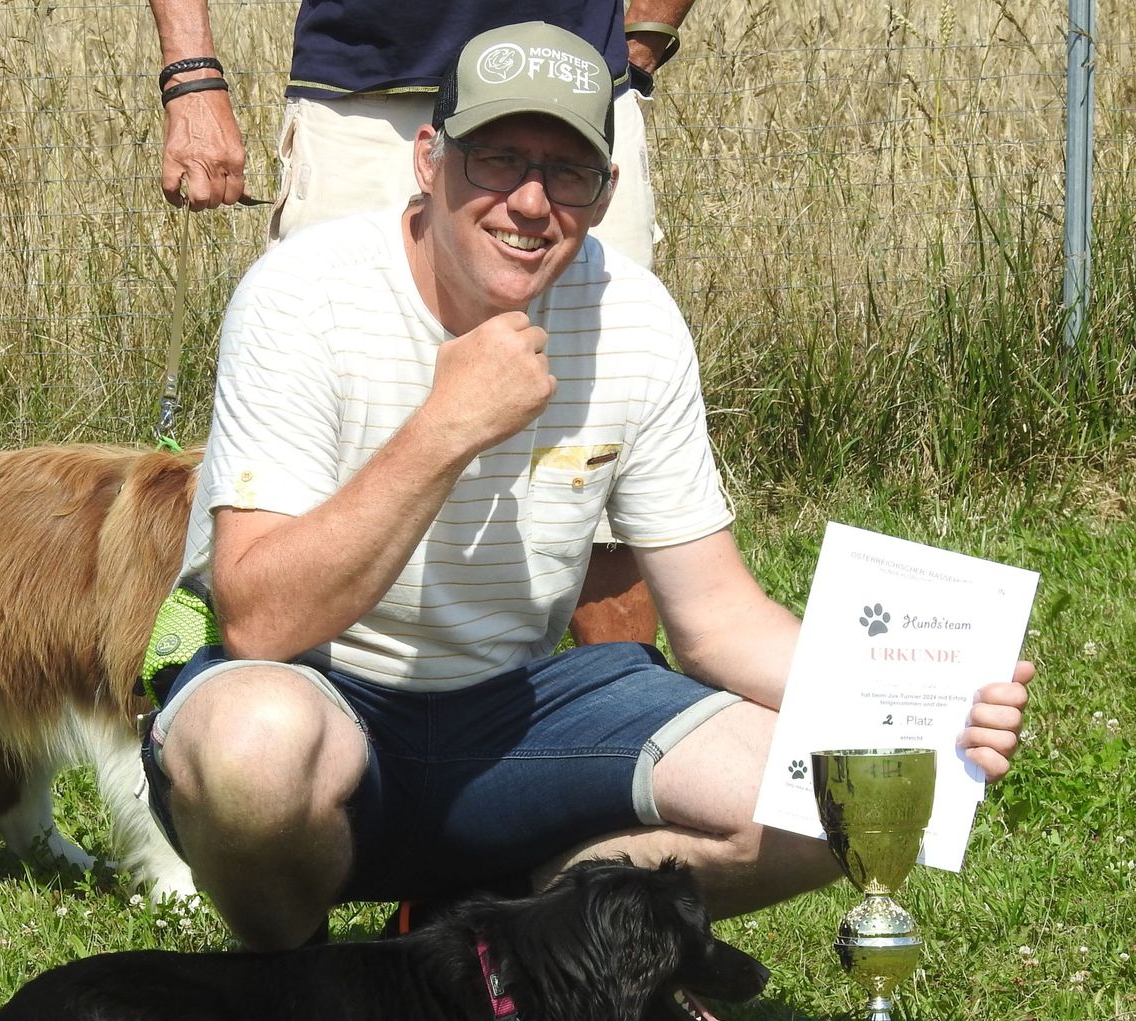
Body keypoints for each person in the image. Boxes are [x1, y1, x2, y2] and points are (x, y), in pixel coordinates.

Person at [140, 22, 1034, 953]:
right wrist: (445, 429)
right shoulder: (301, 294)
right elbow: (260, 621)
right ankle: (302, 986)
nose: (529, 201)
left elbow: (717, 618)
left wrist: (920, 707)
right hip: (325, 694)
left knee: (825, 793)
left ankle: (494, 934)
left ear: (606, 193)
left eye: (568, 172)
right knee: (249, 750)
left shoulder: (634, 319)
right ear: (427, 157)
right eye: (497, 159)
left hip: (516, 717)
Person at [145, 1, 694, 646]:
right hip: (361, 93)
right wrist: (190, 73)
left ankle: (611, 717)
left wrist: (643, 35)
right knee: (308, 473)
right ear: (426, 160)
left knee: (591, 454)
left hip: (577, 89)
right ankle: (299, 704)